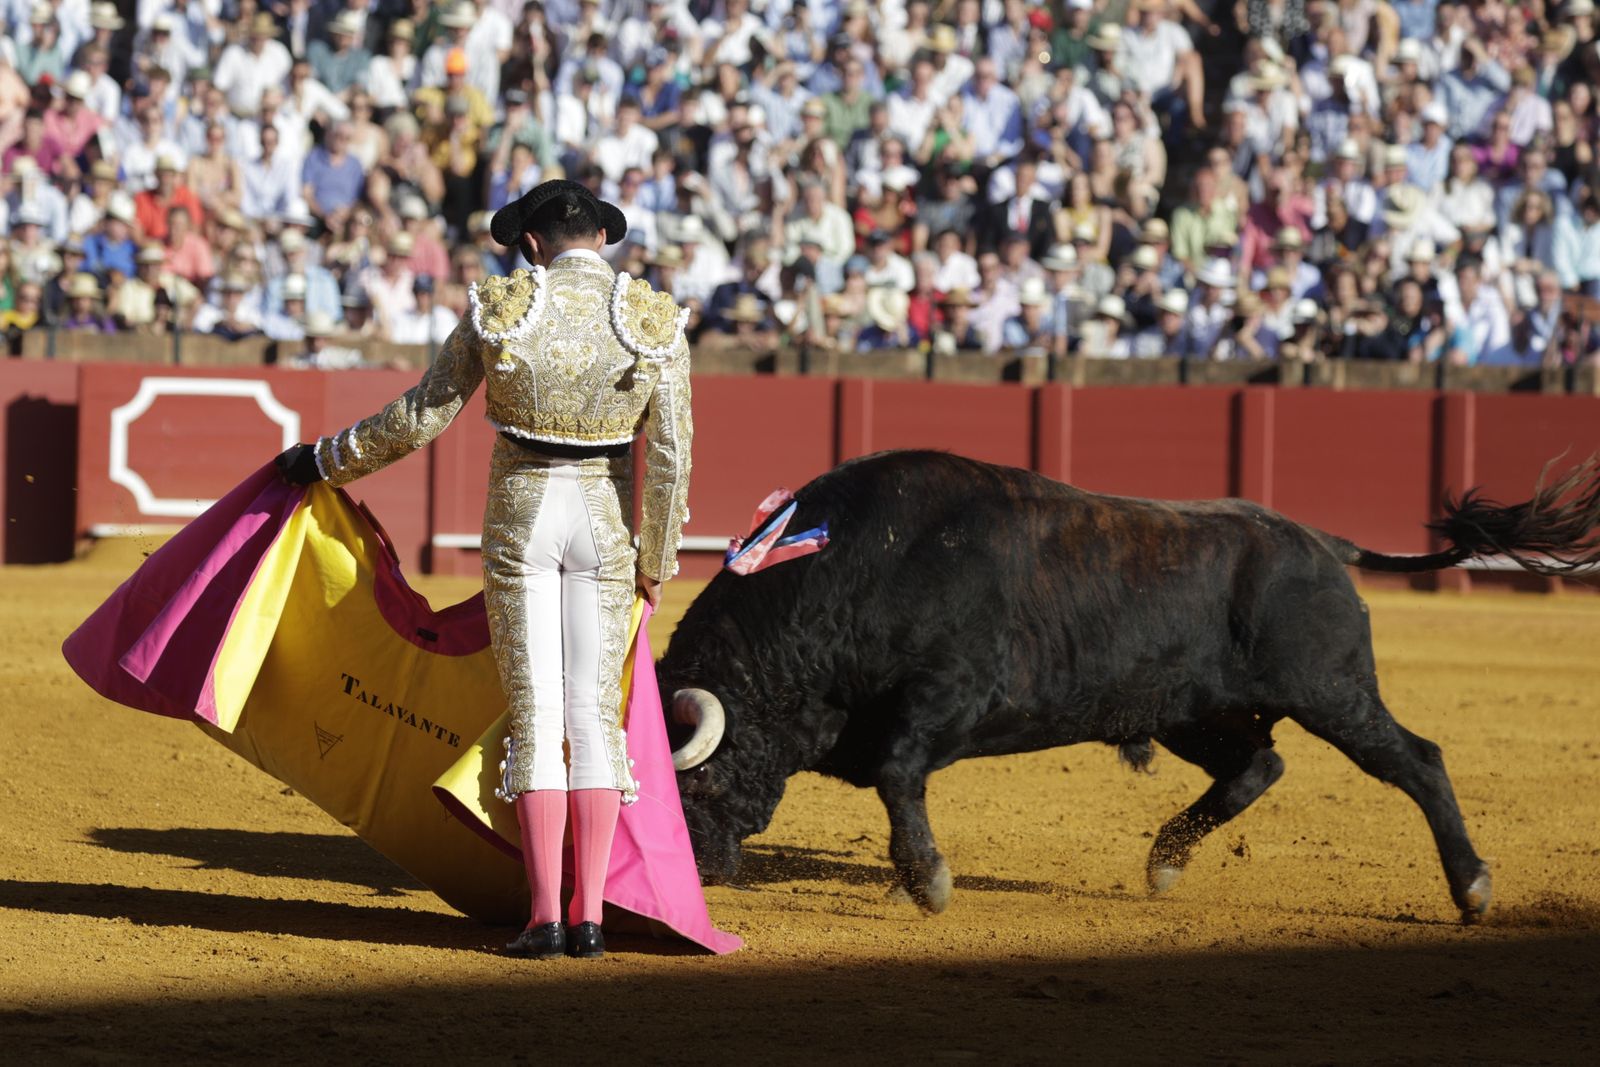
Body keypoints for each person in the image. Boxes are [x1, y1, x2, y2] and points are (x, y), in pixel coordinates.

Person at [273, 181, 692, 963]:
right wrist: (655, 558)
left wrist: (324, 459)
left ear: (530, 243)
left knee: (536, 710)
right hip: (603, 523)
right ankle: (591, 916)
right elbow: (669, 456)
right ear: (603, 235)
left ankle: (543, 918)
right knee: (592, 715)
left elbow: (422, 415)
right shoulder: (653, 321)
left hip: (524, 518)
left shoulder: (501, 308)